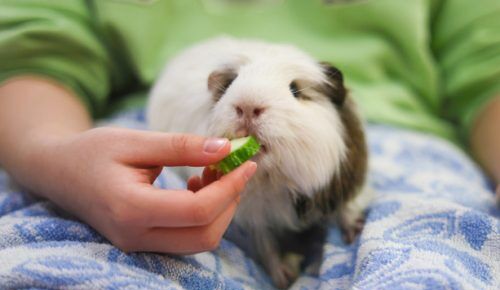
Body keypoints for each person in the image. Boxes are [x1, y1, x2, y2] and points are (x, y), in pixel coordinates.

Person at [0, 0, 498, 254]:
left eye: (299, 95)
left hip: (418, 139)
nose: (250, 111)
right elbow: (33, 51)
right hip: (116, 150)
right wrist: (52, 153)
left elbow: (489, 67)